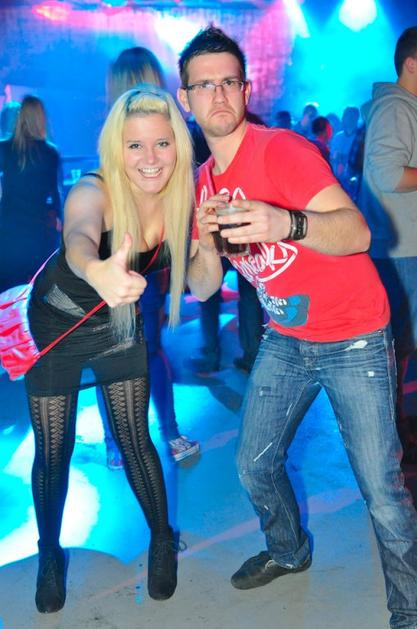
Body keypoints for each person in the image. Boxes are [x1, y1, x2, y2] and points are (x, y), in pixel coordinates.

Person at [178, 25, 417, 627]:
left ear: (245, 88)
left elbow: (357, 232)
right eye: (204, 85)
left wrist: (285, 222)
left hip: (354, 335)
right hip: (287, 339)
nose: (218, 95)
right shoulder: (205, 182)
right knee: (253, 463)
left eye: (229, 82)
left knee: (381, 489)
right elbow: (203, 287)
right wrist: (204, 243)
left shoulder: (281, 150)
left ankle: (410, 609)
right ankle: (289, 550)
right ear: (186, 98)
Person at [25, 86, 194, 613]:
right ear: (115, 149)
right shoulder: (93, 189)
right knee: (54, 451)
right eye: (135, 145)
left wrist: (211, 247)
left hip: (117, 323)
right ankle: (49, 554)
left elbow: (208, 283)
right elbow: (79, 235)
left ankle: (161, 539)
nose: (150, 158)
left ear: (178, 145)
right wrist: (96, 268)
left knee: (135, 437)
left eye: (162, 143)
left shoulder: (179, 200)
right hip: (57, 324)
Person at [104, 46, 199, 466]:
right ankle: (140, 436)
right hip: (122, 256)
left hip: (150, 255)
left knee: (134, 348)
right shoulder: (115, 141)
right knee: (132, 349)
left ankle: (130, 438)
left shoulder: (166, 135)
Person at [359, 26, 417, 463]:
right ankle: (395, 430)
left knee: (404, 343)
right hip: (401, 251)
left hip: (404, 246)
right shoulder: (395, 107)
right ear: (411, 64)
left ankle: (400, 424)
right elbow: (387, 174)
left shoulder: (403, 107)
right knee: (399, 345)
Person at [0, 95, 61, 292]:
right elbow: (55, 194)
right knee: (37, 292)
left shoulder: (4, 148)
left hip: (8, 232)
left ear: (20, 117)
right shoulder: (50, 153)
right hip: (36, 232)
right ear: (42, 118)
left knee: (7, 292)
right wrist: (60, 220)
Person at [330, 105, 360, 193]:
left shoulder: (360, 138)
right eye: (344, 115)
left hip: (353, 184)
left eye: (346, 115)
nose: (343, 118)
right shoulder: (337, 137)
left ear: (355, 118)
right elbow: (332, 157)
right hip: (336, 181)